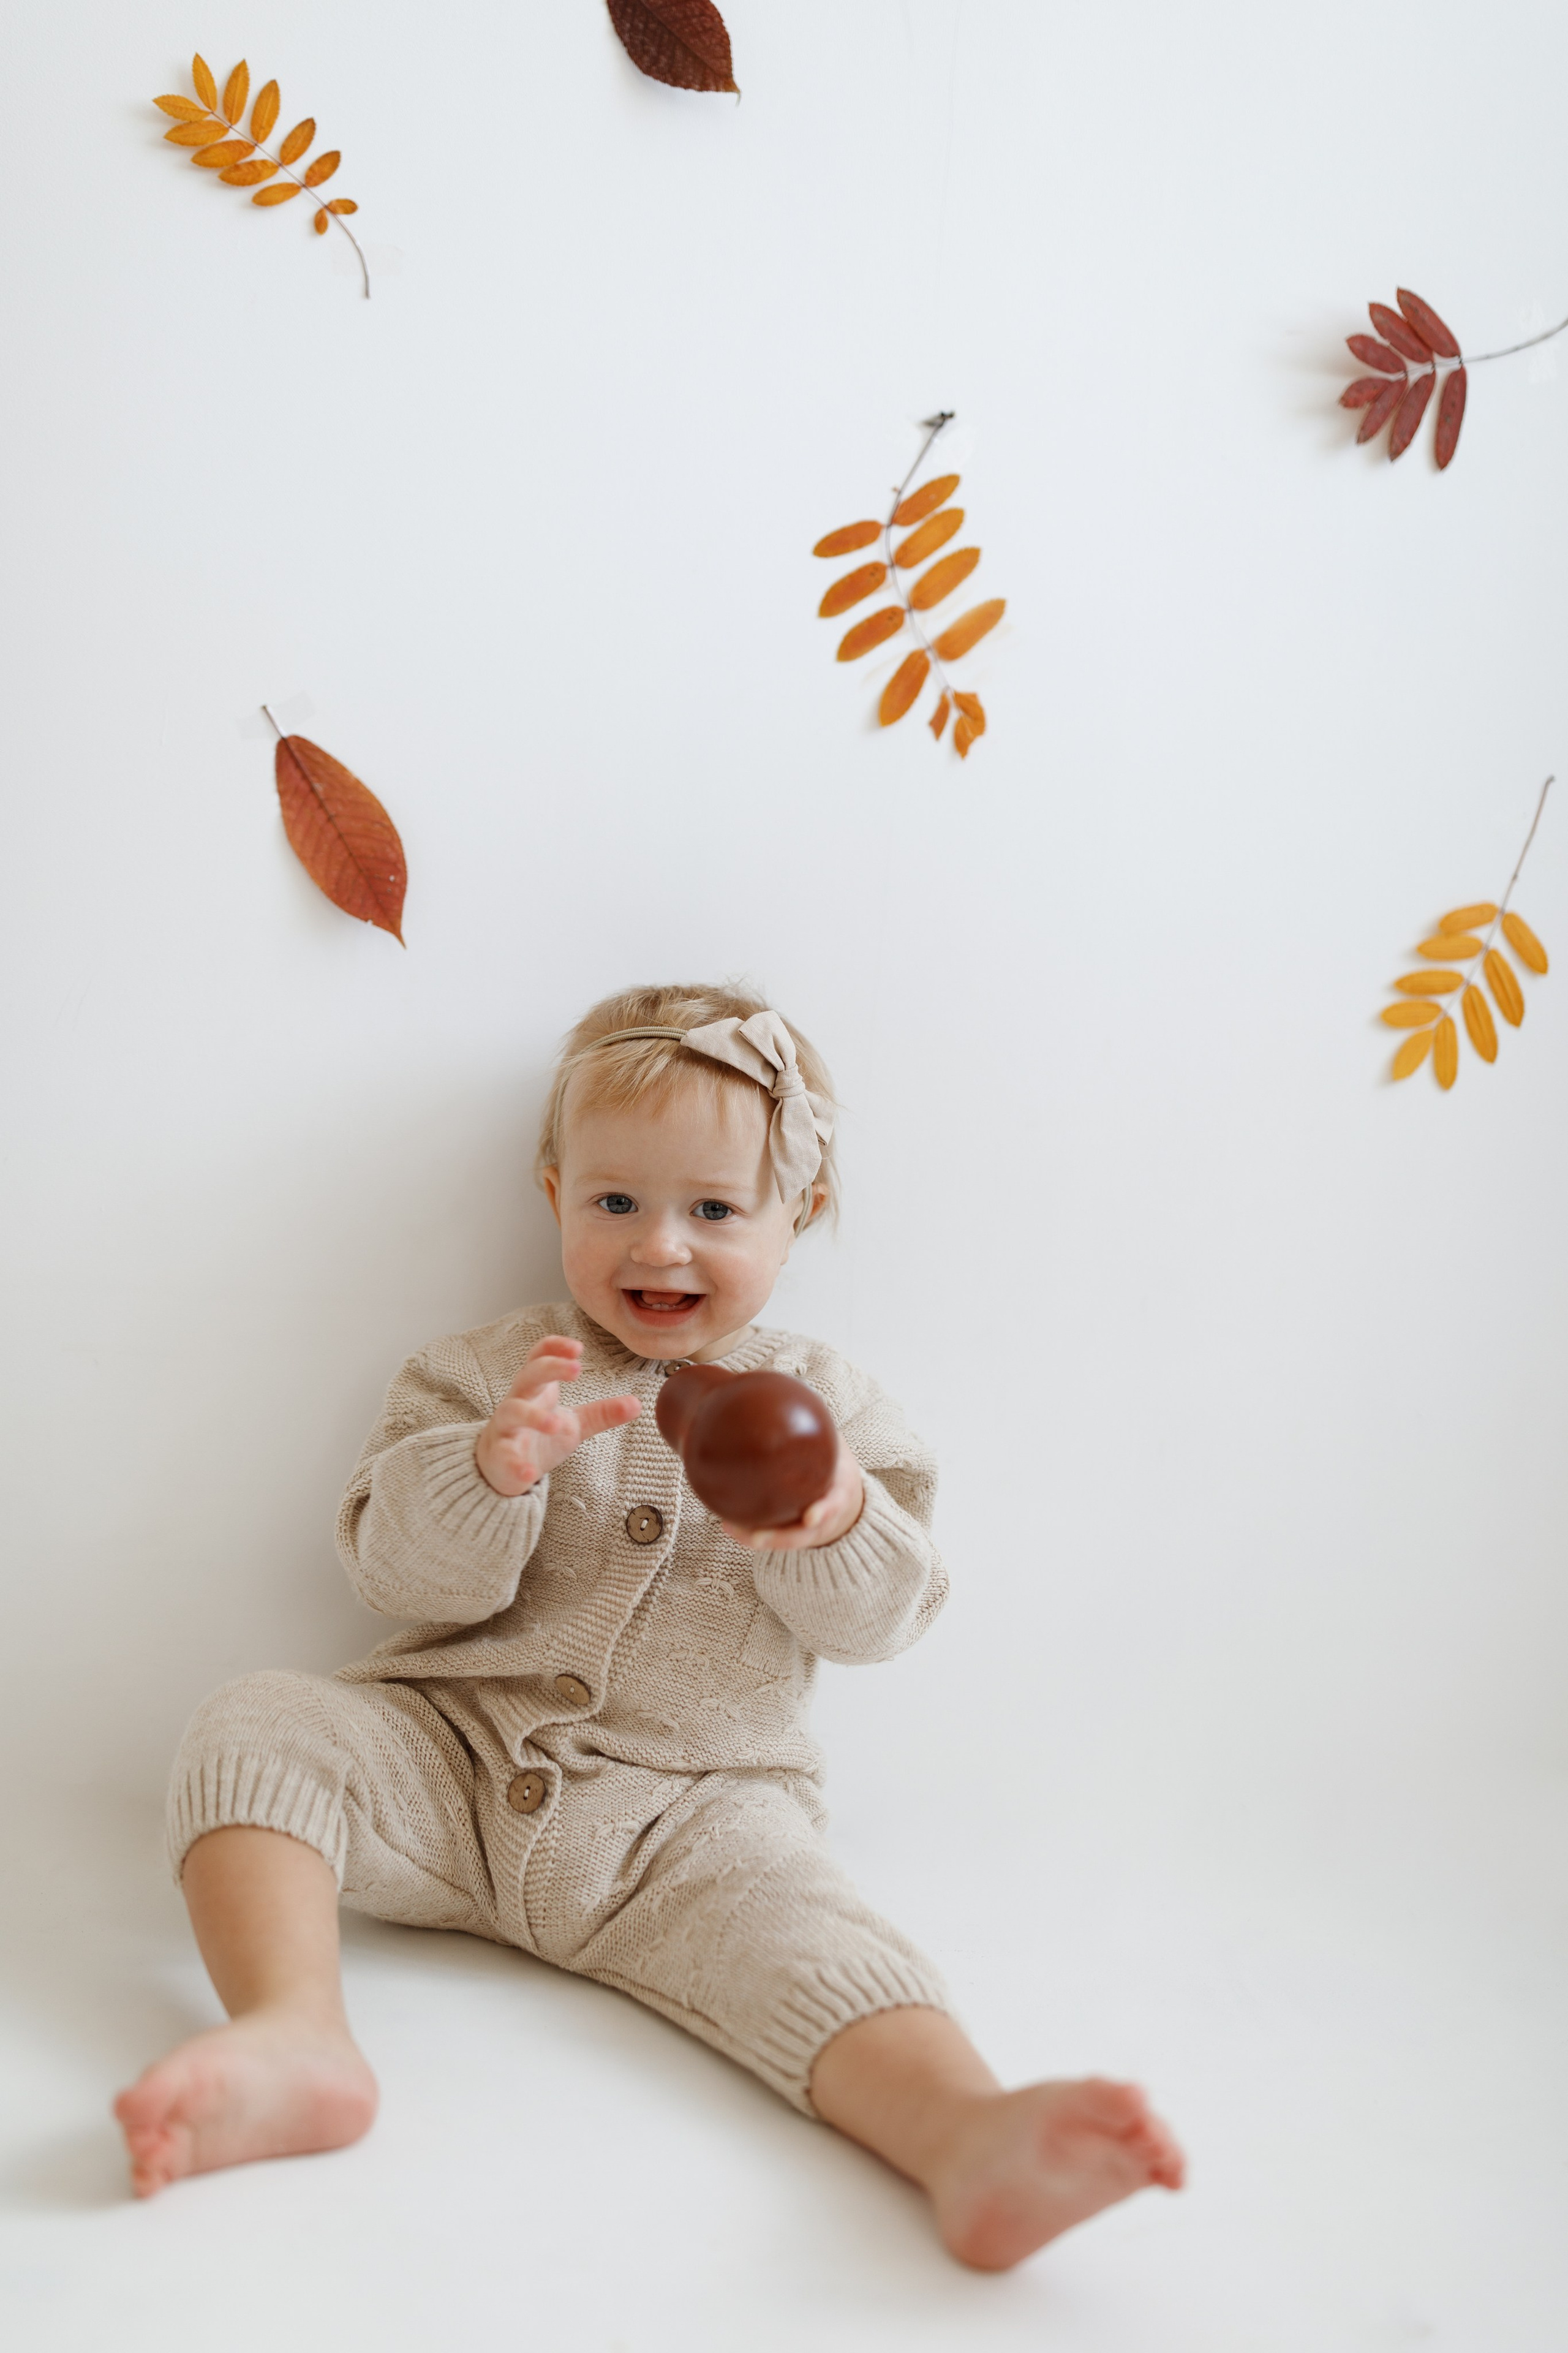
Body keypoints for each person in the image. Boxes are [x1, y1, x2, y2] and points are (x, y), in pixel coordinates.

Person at [114, 983, 1185, 2268]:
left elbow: (888, 1618)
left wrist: (836, 1515)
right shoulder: (483, 1373)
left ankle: (963, 2132)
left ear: (804, 1214)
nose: (659, 1247)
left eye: (714, 1210)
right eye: (614, 1203)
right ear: (554, 1191)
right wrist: (487, 1469)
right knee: (259, 1722)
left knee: (810, 1933)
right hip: (454, 1762)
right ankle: (295, 2029)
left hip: (694, 1816)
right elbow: (395, 1574)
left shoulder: (832, 1407)